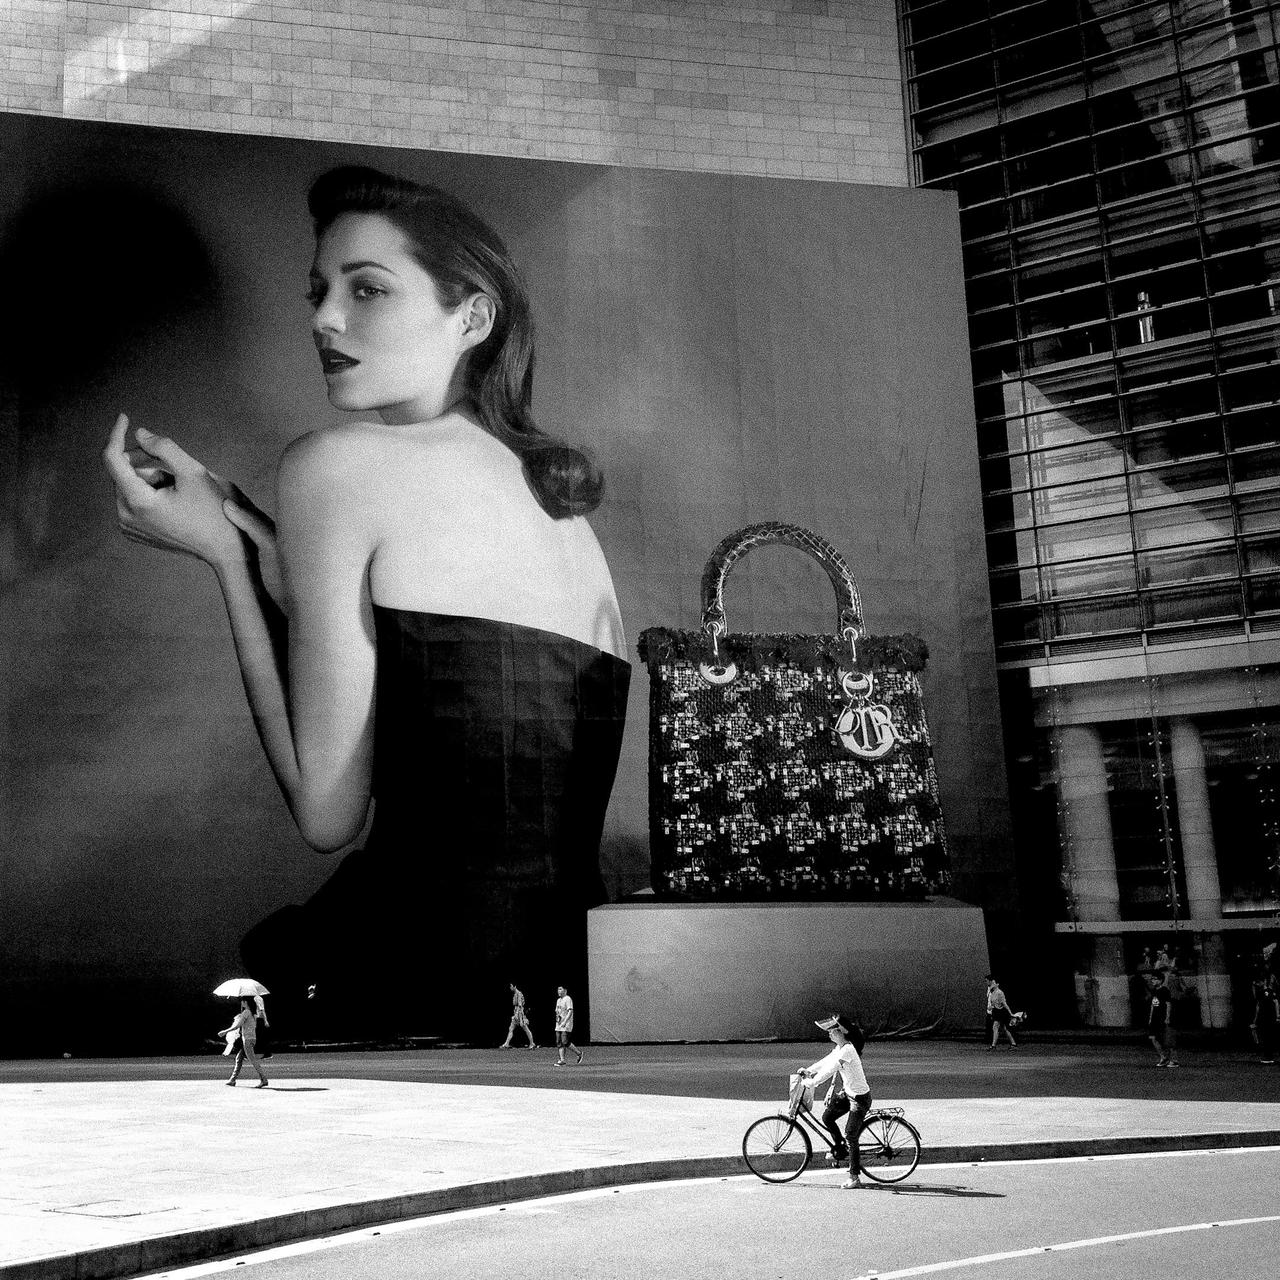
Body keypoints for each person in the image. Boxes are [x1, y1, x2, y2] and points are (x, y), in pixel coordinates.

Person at [103, 165, 630, 1043]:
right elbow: (445, 703)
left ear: (472, 316)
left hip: (406, 984)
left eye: (368, 289)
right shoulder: (554, 501)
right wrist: (252, 532)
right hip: (563, 993)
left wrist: (226, 557)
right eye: (319, 291)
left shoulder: (335, 465)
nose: (325, 319)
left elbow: (326, 811)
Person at [797, 1013, 871, 1189]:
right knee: (827, 1117)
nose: (829, 1033)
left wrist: (812, 1082)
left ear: (842, 1032)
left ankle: (854, 1177)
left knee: (851, 1135)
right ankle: (839, 1149)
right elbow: (826, 1061)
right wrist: (809, 1070)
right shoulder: (840, 1048)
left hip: (859, 1099)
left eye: (832, 1030)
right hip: (849, 1093)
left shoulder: (848, 1050)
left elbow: (830, 1070)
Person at [219, 997, 269, 1087]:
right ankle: (232, 1079)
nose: (241, 1003)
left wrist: (225, 1031)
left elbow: (237, 1026)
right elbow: (254, 1021)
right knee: (239, 1058)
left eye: (242, 1001)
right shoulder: (253, 1013)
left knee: (252, 1060)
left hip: (247, 1040)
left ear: (245, 1002)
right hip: (252, 1039)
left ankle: (264, 1079)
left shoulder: (246, 1012)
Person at [1145, 969, 1178, 1068]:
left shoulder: (1164, 990)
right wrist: (1150, 1018)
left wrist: (1167, 1017)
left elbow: (1168, 1004)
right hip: (1155, 1018)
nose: (1152, 981)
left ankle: (1174, 1060)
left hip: (1162, 1017)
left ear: (1160, 980)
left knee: (1167, 1039)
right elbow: (1152, 1005)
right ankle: (1163, 1057)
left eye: (1155, 979)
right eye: (1152, 979)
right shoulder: (1155, 991)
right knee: (1153, 1038)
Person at [501, 982, 536, 1050]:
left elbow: (520, 1006)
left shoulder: (519, 994)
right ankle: (506, 1043)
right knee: (511, 1028)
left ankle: (532, 1043)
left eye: (511, 986)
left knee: (525, 1028)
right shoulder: (515, 994)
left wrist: (518, 1016)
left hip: (520, 1014)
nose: (510, 988)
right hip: (516, 1014)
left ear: (515, 986)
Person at [986, 975, 1017, 1049]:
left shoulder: (1000, 992)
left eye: (994, 982)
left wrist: (1011, 1013)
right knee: (1004, 1029)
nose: (992, 983)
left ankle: (993, 1045)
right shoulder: (993, 992)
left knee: (995, 1027)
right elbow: (994, 1002)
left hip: (1001, 1012)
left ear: (997, 984)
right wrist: (991, 1007)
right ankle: (1013, 1043)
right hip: (996, 1012)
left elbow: (1004, 1004)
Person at [554, 985, 582, 1066]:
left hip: (566, 1024)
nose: (559, 991)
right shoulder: (558, 1000)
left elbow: (570, 1011)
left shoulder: (567, 999)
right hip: (558, 1024)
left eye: (560, 989)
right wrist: (558, 1020)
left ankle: (579, 1053)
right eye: (558, 989)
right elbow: (557, 1012)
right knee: (559, 1042)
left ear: (565, 990)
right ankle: (562, 1060)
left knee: (565, 1041)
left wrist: (565, 1022)